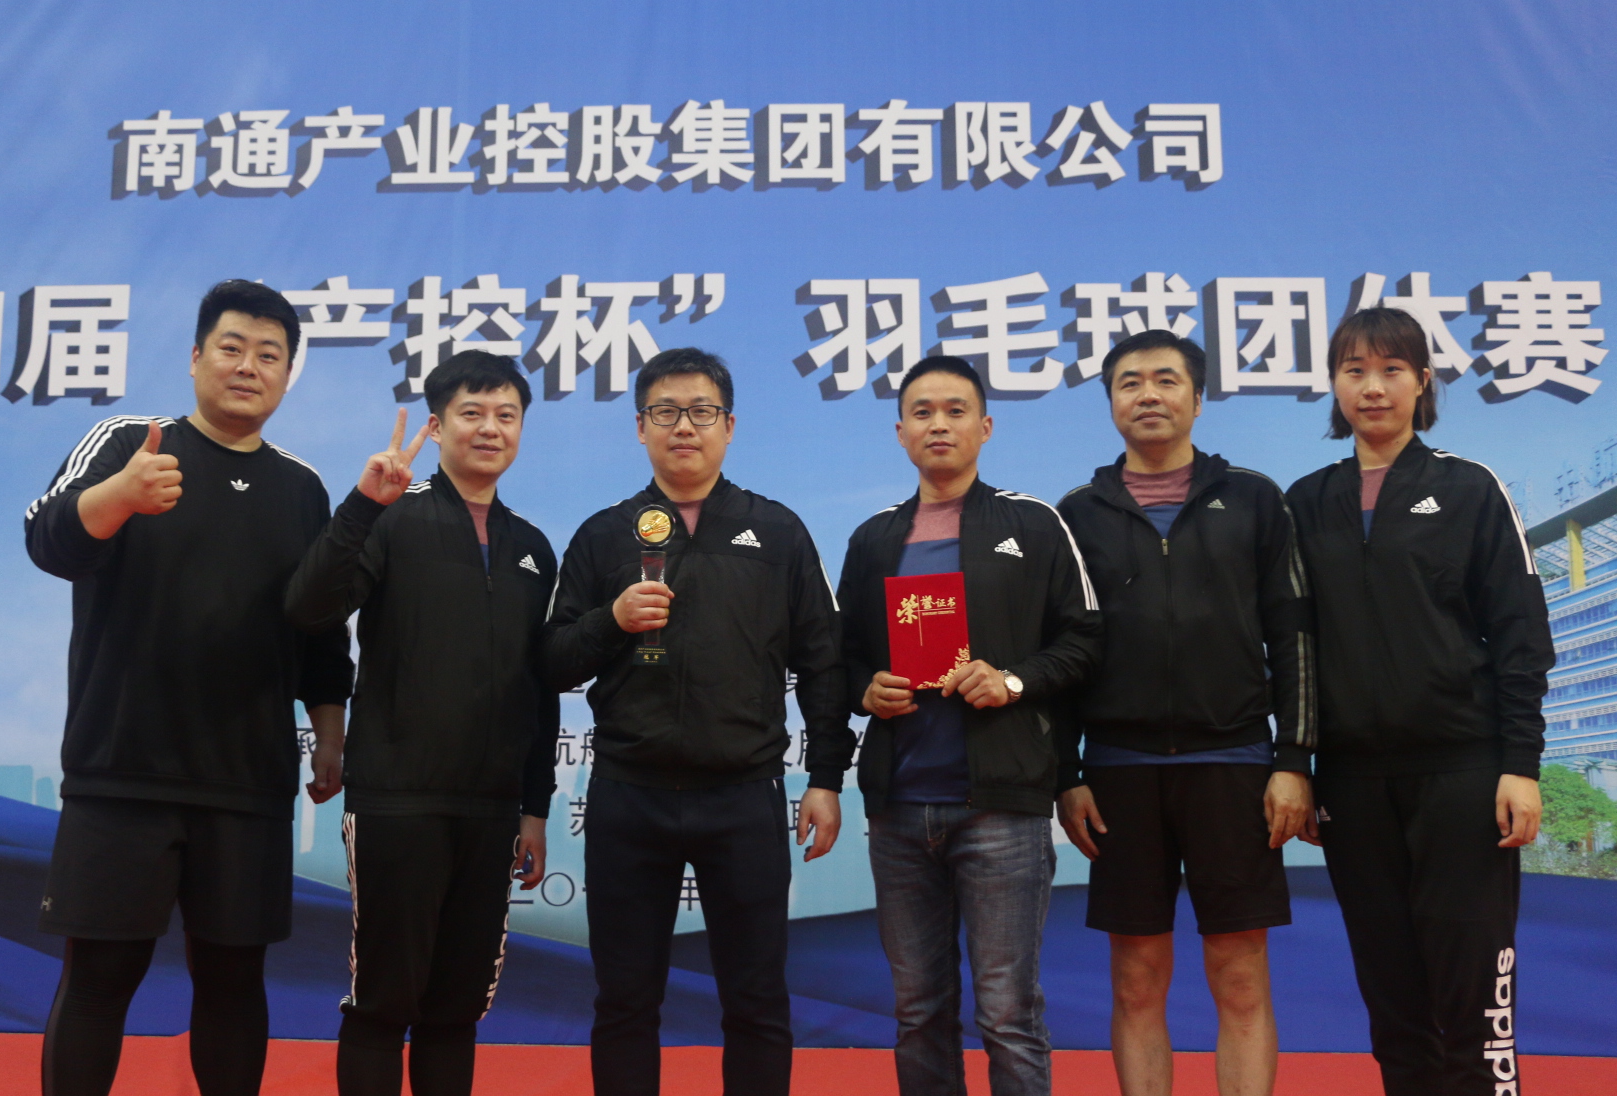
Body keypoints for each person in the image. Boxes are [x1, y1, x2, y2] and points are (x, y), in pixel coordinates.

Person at [24, 279, 353, 1096]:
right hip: (121, 774)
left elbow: (320, 630)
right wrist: (121, 498)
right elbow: (48, 539)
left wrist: (330, 731)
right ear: (198, 357)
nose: (248, 367)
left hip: (246, 784)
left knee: (235, 985)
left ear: (286, 376)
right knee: (100, 978)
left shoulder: (302, 488)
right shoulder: (130, 442)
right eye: (232, 348)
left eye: (269, 355)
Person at [545, 347, 849, 1096]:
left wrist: (826, 778)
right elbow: (551, 661)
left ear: (730, 426)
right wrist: (611, 620)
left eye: (702, 411)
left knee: (756, 1002)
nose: (685, 427)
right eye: (666, 412)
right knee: (624, 1002)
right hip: (629, 796)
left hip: (742, 796)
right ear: (640, 427)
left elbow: (824, 661)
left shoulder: (776, 532)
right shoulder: (604, 534)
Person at [1286, 306, 1551, 1096]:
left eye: (1391, 370)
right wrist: (1298, 762)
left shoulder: (1468, 488)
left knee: (1472, 990)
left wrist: (1521, 763)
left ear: (1423, 382)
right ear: (1334, 386)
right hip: (1352, 784)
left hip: (1463, 773)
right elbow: (1291, 647)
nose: (1372, 387)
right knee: (1392, 996)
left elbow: (1520, 633)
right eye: (1354, 371)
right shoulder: (1305, 502)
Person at [285, 350, 559, 1096]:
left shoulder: (533, 549)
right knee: (384, 1002)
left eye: (507, 415)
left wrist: (534, 809)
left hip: (493, 808)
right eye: (472, 413)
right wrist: (362, 507)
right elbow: (308, 609)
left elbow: (541, 687)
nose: (491, 429)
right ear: (436, 427)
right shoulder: (392, 517)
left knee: (455, 1011)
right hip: (397, 801)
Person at [1053, 329, 1318, 1096]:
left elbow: (1294, 635)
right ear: (1111, 402)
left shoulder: (1256, 499)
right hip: (1118, 774)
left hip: (1234, 765)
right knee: (1136, 977)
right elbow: (1061, 656)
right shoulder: (1077, 514)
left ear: (1198, 399)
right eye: (1129, 382)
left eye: (1166, 380)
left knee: (1239, 974)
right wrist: (1066, 774)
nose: (1148, 394)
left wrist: (1293, 760)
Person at [839, 354, 1100, 1096]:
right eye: (922, 412)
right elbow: (841, 654)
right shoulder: (873, 538)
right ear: (900, 433)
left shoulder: (1032, 523)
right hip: (899, 807)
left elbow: (1086, 639)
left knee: (1008, 1012)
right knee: (918, 1010)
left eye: (956, 411)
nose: (939, 425)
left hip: (1002, 808)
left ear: (985, 427)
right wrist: (866, 689)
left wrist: (1013, 680)